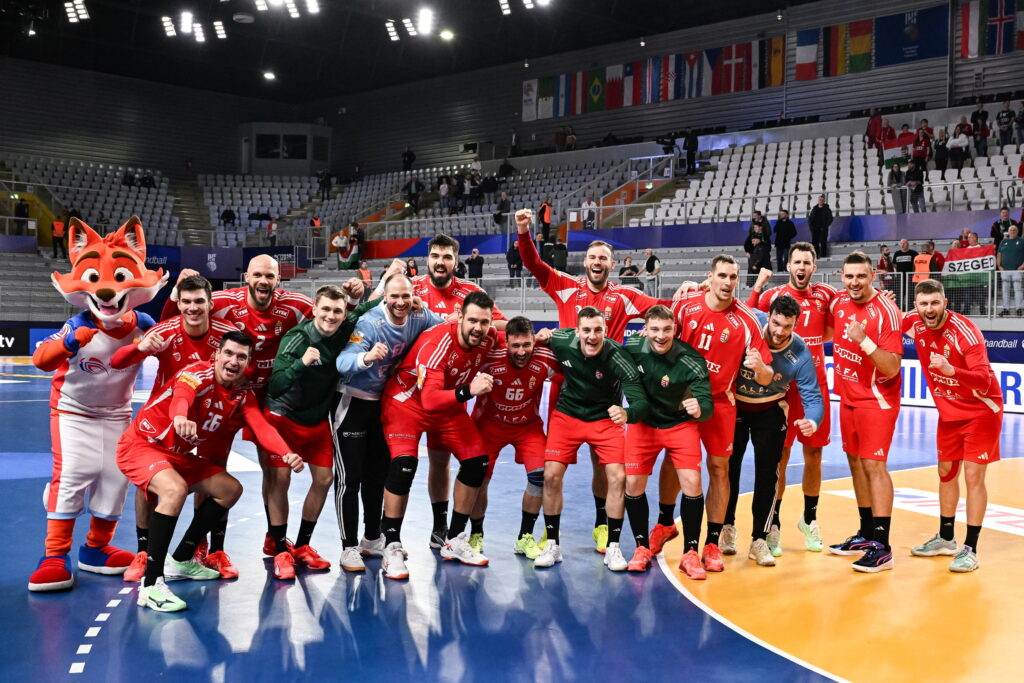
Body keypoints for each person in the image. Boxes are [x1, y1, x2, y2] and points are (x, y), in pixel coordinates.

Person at [515, 209, 673, 551]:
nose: (597, 261)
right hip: (566, 388)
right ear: (584, 262)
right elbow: (534, 265)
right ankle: (549, 532)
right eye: (592, 257)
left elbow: (662, 307)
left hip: (607, 393)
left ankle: (602, 524)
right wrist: (524, 231)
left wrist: (695, 293)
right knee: (553, 468)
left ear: (612, 265)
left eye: (604, 257)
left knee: (604, 465)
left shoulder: (624, 296)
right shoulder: (566, 286)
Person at [116, 332, 303, 611]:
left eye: (241, 357)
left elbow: (260, 425)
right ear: (217, 355)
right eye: (229, 353)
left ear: (248, 362)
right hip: (142, 445)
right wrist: (180, 416)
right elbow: (183, 395)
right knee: (174, 490)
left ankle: (180, 559)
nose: (234, 361)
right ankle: (151, 585)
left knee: (230, 489)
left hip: (175, 455)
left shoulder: (242, 393)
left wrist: (285, 451)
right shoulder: (197, 373)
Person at [28, 219, 162, 593]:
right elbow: (41, 359)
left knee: (116, 479)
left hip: (117, 413)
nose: (107, 292)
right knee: (73, 475)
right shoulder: (78, 325)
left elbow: (168, 346)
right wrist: (69, 344)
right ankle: (55, 555)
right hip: (73, 411)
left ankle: (96, 549)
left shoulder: (143, 323)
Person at [110, 275, 239, 581]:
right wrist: (140, 347)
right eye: (187, 302)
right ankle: (144, 551)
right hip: (167, 419)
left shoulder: (226, 337)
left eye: (199, 302)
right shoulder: (165, 331)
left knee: (216, 475)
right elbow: (117, 361)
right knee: (151, 483)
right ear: (178, 303)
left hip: (209, 415)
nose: (193, 308)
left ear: (210, 304)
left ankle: (208, 551)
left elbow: (242, 368)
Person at [652, 256, 773, 572]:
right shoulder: (684, 307)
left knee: (719, 469)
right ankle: (665, 523)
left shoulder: (747, 322)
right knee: (673, 460)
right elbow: (660, 338)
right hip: (683, 400)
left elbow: (765, 374)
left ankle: (712, 542)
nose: (728, 282)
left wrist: (761, 369)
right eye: (722, 275)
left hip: (720, 403)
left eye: (733, 277)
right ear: (710, 276)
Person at [385, 234, 506, 547]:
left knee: (443, 462)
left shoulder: (472, 293)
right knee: (400, 465)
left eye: (447, 257)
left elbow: (499, 326)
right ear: (428, 258)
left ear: (456, 260)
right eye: (435, 256)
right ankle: (388, 538)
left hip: (449, 392)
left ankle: (445, 531)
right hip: (408, 390)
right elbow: (381, 313)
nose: (441, 262)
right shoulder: (412, 289)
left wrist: (466, 322)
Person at [378, 291, 500, 579]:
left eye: (484, 322)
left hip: (447, 405)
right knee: (404, 466)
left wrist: (544, 337)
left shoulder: (489, 336)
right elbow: (430, 399)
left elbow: (510, 334)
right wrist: (470, 390)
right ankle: (391, 544)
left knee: (477, 462)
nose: (477, 328)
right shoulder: (439, 342)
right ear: (459, 317)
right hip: (407, 403)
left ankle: (455, 539)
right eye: (472, 320)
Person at [334, 274, 444, 571]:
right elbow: (342, 362)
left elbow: (446, 327)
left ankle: (372, 539)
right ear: (385, 297)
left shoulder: (418, 315)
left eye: (405, 297)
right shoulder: (370, 323)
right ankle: (348, 547)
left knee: (377, 476)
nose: (400, 302)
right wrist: (367, 357)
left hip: (383, 406)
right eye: (394, 296)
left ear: (413, 297)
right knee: (349, 479)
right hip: (353, 402)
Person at [263, 286, 372, 579]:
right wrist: (301, 363)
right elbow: (275, 385)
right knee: (281, 478)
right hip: (283, 418)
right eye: (325, 309)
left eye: (337, 310)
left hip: (315, 420)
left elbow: (364, 308)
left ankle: (301, 545)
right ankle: (279, 550)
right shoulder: (297, 337)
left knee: (324, 479)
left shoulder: (344, 327)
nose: (331, 316)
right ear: (314, 309)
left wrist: (393, 285)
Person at [533, 307, 650, 571]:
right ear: (577, 332)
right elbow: (541, 337)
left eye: (598, 330)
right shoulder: (562, 341)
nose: (592, 336)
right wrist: (542, 335)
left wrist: (627, 413)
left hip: (605, 419)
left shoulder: (618, 358)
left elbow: (640, 401)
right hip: (568, 415)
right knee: (551, 475)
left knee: (618, 477)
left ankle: (614, 547)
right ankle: (553, 544)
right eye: (586, 330)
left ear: (606, 332)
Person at [745, 244, 838, 553]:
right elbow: (748, 318)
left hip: (814, 385)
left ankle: (809, 519)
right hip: (782, 388)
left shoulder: (825, 295)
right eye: (796, 261)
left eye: (807, 262)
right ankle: (774, 523)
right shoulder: (774, 297)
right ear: (788, 264)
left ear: (813, 267)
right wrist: (757, 285)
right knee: (779, 459)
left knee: (814, 455)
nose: (802, 266)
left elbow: (839, 322)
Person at [904, 279, 1002, 572]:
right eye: (924, 304)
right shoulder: (915, 323)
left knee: (973, 477)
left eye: (935, 303)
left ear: (945, 303)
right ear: (916, 306)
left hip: (981, 411)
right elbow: (890, 320)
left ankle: (970, 548)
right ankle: (946, 538)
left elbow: (984, 380)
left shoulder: (966, 332)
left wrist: (951, 370)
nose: (929, 309)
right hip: (950, 414)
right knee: (946, 472)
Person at [724, 295, 823, 566]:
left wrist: (812, 421)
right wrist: (695, 284)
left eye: (787, 327)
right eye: (776, 323)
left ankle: (760, 538)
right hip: (736, 410)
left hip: (769, 411)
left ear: (796, 324)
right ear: (767, 316)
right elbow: (725, 300)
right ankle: (726, 527)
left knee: (768, 476)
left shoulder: (800, 352)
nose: (780, 332)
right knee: (727, 470)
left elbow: (813, 396)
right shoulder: (750, 322)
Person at [828, 251, 904, 573]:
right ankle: (866, 533)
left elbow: (891, 367)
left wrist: (865, 342)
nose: (855, 282)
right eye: (849, 276)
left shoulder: (887, 311)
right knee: (856, 463)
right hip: (848, 398)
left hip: (876, 400)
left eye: (861, 276)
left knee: (874, 465)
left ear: (873, 276)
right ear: (842, 277)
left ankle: (883, 546)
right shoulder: (837, 303)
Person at [622, 306, 713, 577]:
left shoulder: (691, 359)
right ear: (644, 329)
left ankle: (690, 553)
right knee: (633, 484)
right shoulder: (633, 349)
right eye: (654, 329)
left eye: (666, 329)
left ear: (675, 329)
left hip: (679, 424)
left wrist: (700, 408)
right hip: (644, 424)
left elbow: (706, 403)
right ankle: (640, 547)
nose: (661, 336)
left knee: (693, 483)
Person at [468, 317, 559, 556]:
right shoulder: (489, 357)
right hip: (489, 426)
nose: (521, 351)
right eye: (515, 345)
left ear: (534, 341)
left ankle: (524, 536)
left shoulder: (546, 358)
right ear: (505, 342)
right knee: (479, 481)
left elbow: (578, 352)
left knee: (540, 477)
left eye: (526, 345)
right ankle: (476, 534)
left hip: (527, 427)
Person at [997, 224, 1024, 316]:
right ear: (1008, 232)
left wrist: (1022, 266)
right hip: (1005, 271)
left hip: (1017, 270)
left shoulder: (1021, 241)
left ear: (1017, 231)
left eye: (1014, 230)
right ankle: (1006, 309)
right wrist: (999, 266)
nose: (1012, 231)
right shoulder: (1003, 241)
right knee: (1005, 291)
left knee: (1018, 290)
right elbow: (999, 254)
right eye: (1011, 230)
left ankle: (1019, 309)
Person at [892, 239, 918, 310]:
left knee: (910, 294)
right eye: (901, 243)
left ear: (908, 244)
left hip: (910, 278)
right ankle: (899, 309)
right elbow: (894, 264)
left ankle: (911, 309)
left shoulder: (914, 253)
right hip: (900, 278)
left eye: (904, 243)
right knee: (900, 294)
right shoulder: (897, 253)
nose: (903, 245)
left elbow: (917, 264)